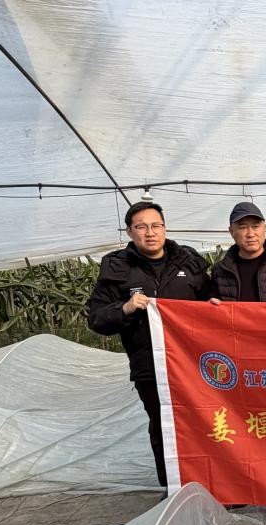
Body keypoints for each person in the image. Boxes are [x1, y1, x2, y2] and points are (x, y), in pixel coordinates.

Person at [87, 201, 211, 491]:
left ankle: (210, 483)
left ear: (165, 228)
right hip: (150, 366)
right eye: (141, 227)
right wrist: (125, 308)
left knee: (204, 422)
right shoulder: (117, 268)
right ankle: (174, 488)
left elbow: (211, 302)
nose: (150, 232)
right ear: (130, 232)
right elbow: (96, 319)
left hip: (194, 364)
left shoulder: (188, 263)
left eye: (156, 225)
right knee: (164, 425)